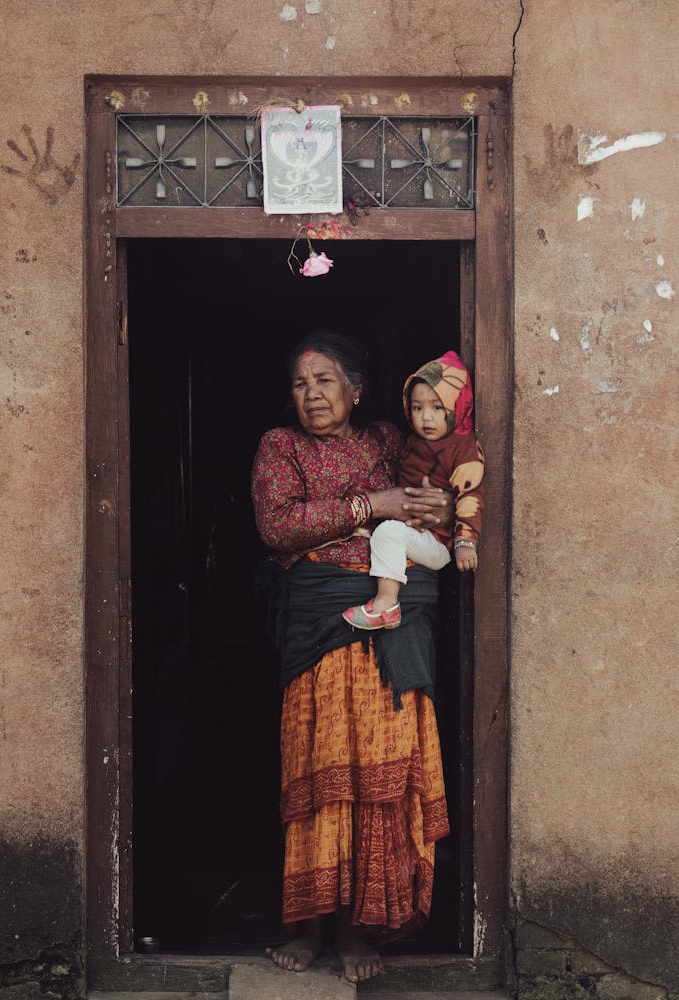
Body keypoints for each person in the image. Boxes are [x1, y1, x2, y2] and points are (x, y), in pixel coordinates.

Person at [251, 332, 453, 983]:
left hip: (391, 634)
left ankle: (359, 929)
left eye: (326, 381)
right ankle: (310, 927)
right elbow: (278, 527)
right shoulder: (280, 448)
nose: (312, 394)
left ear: (356, 390)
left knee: (382, 779)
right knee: (320, 777)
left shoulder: (390, 443)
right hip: (320, 629)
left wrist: (431, 505)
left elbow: (425, 497)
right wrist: (370, 506)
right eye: (301, 383)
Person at [342, 350, 485, 631]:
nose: (426, 418)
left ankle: (386, 605)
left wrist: (465, 541)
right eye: (418, 408)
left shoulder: (463, 448)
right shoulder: (413, 442)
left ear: (458, 407)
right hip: (417, 535)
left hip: (438, 543)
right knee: (386, 532)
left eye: (437, 408)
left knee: (388, 533)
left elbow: (471, 496)